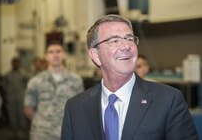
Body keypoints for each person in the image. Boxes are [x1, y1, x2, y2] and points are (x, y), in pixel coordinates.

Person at [60, 14, 198, 140]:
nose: (126, 46)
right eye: (114, 40)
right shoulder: (75, 108)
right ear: (95, 55)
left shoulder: (169, 101)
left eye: (129, 39)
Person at [24, 40, 84, 140]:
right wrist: (42, 123)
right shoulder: (36, 81)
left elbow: (80, 108)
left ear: (64, 54)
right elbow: (28, 109)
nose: (55, 55)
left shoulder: (75, 80)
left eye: (58, 51)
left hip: (68, 133)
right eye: (51, 52)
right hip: (42, 134)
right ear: (46, 56)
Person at [3, 57, 29, 139]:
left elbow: (28, 86)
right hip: (11, 99)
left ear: (19, 63)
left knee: (22, 116)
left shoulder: (24, 74)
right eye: (13, 63)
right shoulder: (7, 75)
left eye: (17, 62)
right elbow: (4, 86)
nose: (15, 64)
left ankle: (23, 134)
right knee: (12, 116)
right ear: (12, 64)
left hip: (21, 99)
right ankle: (15, 134)